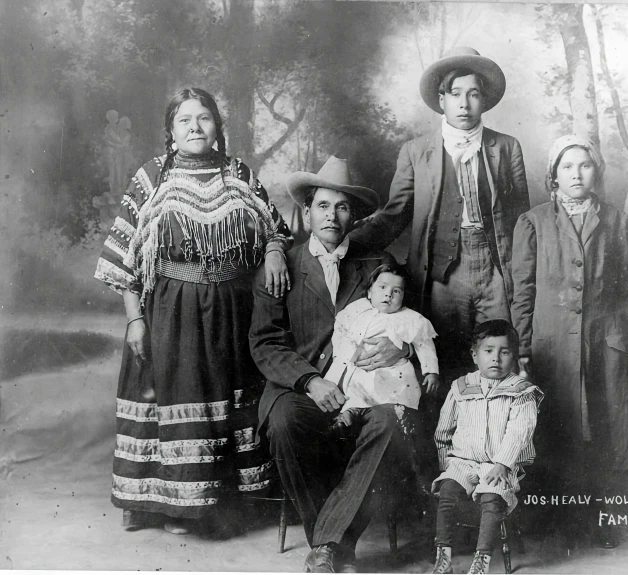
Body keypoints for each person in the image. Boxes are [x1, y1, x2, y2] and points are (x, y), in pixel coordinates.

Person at [94, 87, 292, 536]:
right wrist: (135, 319)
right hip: (171, 310)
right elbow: (126, 258)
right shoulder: (152, 177)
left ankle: (221, 502)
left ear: (218, 128)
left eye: (204, 118)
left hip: (230, 309)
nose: (195, 127)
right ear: (171, 131)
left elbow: (274, 229)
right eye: (185, 120)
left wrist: (276, 250)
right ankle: (160, 504)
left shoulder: (238, 173)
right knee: (173, 397)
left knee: (228, 397)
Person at [249, 156, 417, 573]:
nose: (332, 215)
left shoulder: (377, 268)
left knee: (390, 421)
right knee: (286, 422)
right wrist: (309, 382)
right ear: (307, 211)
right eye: (323, 206)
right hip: (300, 389)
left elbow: (412, 326)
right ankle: (331, 542)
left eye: (342, 207)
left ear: (355, 216)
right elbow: (265, 342)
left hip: (365, 389)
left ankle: (326, 544)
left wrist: (405, 352)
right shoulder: (282, 265)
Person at [349, 46, 530, 384]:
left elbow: (523, 221)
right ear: (441, 99)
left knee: (498, 356)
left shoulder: (506, 147)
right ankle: (447, 435)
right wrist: (347, 242)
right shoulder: (417, 152)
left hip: (495, 267)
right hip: (443, 272)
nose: (464, 103)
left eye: (473, 94)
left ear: (485, 100)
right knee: (444, 359)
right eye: (456, 93)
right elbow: (394, 215)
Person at [510, 135, 628, 548]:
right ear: (554, 174)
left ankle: (597, 520)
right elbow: (523, 290)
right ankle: (551, 519)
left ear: (595, 172)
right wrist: (523, 349)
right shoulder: (533, 221)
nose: (577, 174)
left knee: (599, 427)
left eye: (585, 166)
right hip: (551, 346)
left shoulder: (617, 221)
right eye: (568, 167)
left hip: (602, 343)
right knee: (553, 425)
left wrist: (619, 333)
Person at [431, 320, 542, 575]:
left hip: (500, 464)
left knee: (493, 496)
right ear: (475, 355)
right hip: (463, 461)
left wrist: (503, 463)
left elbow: (519, 432)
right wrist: (446, 464)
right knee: (448, 489)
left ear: (513, 356)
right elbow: (443, 430)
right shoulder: (461, 387)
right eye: (488, 351)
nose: (496, 359)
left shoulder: (521, 392)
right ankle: (443, 556)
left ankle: (481, 559)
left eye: (504, 352)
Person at [325, 262, 440, 436]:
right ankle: (349, 414)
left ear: (403, 296)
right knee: (355, 388)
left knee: (393, 395)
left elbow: (424, 344)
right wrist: (340, 354)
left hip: (393, 371)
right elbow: (340, 328)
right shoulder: (358, 309)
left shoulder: (410, 318)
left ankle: (396, 416)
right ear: (370, 292)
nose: (388, 294)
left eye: (396, 291)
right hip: (361, 367)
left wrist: (431, 371)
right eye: (383, 287)